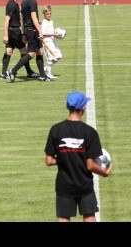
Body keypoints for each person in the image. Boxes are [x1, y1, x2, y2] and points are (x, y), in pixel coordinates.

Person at [45, 91, 113, 222]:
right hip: (84, 185)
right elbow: (90, 165)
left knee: (63, 217)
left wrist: (65, 157)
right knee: (89, 216)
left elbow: (48, 161)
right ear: (83, 108)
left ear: (67, 107)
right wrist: (104, 173)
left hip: (64, 185)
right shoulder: (90, 132)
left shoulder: (56, 129)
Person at [7, 0, 51, 82]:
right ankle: (13, 71)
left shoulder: (24, 1)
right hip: (32, 29)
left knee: (40, 51)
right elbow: (33, 17)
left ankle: (43, 75)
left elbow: (22, 18)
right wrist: (40, 30)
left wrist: (23, 32)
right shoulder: (32, 1)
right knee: (31, 53)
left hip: (27, 28)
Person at [0, 0, 37, 80]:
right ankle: (29, 72)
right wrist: (5, 35)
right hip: (14, 32)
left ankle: (3, 73)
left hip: (13, 31)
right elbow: (6, 20)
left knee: (8, 51)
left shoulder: (15, 3)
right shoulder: (11, 4)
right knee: (24, 51)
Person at [40, 5, 63, 80]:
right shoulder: (44, 22)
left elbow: (52, 32)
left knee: (58, 56)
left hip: (53, 41)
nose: (49, 15)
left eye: (50, 13)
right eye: (47, 14)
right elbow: (43, 33)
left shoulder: (51, 22)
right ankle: (48, 74)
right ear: (44, 14)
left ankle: (46, 68)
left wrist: (57, 36)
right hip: (47, 42)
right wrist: (53, 34)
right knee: (51, 57)